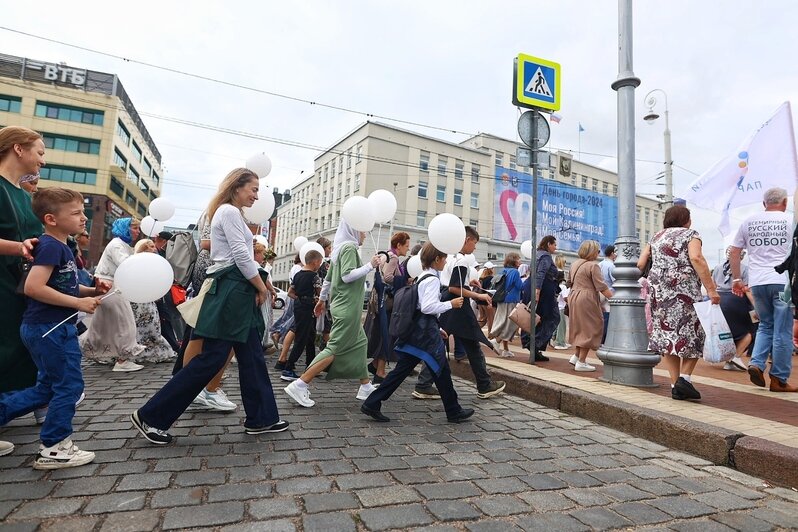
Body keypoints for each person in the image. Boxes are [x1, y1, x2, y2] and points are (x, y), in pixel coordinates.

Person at [130, 168, 288, 444]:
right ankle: (151, 416)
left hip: (235, 290)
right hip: (233, 291)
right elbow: (241, 254)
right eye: (253, 188)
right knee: (213, 357)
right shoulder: (228, 212)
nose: (256, 195)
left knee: (251, 355)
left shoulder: (230, 213)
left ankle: (262, 418)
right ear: (237, 187)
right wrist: (261, 286)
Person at [1, 187, 105, 468]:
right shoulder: (50, 246)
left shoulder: (60, 246)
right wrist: (77, 303)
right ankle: (55, 448)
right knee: (69, 386)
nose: (84, 218)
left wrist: (90, 290)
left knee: (46, 388)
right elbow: (34, 287)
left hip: (46, 328)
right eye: (76, 213)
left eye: (83, 211)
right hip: (51, 329)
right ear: (51, 219)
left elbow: (63, 284)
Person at [361, 242, 474, 423]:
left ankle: (373, 402)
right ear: (437, 259)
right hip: (425, 335)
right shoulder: (432, 279)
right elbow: (428, 307)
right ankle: (453, 410)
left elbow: (420, 307)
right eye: (444, 258)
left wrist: (439, 328)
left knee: (404, 370)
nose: (446, 262)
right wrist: (450, 305)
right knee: (440, 369)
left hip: (419, 333)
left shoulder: (423, 277)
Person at [283, 220, 381, 407]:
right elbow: (347, 275)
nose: (365, 235)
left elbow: (328, 280)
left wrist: (321, 300)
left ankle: (365, 386)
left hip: (342, 305)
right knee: (334, 347)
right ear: (354, 230)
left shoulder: (338, 250)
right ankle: (301, 384)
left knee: (361, 343)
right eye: (363, 231)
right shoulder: (350, 248)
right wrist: (371, 265)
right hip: (348, 308)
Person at [638, 206, 719, 399]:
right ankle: (685, 378)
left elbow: (640, 264)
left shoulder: (656, 237)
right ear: (686, 219)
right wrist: (711, 289)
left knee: (668, 336)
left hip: (659, 291)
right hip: (685, 290)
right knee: (694, 331)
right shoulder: (691, 234)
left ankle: (676, 385)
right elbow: (696, 258)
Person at [422, 226, 506, 399]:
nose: (474, 247)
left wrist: (469, 282)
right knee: (472, 344)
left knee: (441, 341)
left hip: (446, 300)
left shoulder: (449, 257)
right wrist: (477, 294)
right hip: (457, 305)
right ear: (467, 240)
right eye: (474, 243)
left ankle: (423, 383)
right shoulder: (461, 260)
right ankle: (484, 384)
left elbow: (451, 283)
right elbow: (455, 288)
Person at [731, 187, 797, 392]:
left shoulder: (749, 221)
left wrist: (737, 279)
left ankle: (756, 364)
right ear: (785, 203)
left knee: (766, 325)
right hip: (782, 281)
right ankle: (779, 378)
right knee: (783, 330)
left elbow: (735, 251)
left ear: (764, 203)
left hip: (757, 282)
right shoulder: (790, 221)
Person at [0, 127, 45, 409]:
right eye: (39, 152)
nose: (43, 160)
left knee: (16, 348)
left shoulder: (20, 193)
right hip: (4, 282)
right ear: (18, 148)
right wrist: (18, 247)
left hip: (19, 284)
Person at [79, 217, 146, 372]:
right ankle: (122, 360)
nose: (138, 232)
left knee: (102, 324)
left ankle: (94, 351)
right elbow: (126, 264)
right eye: (135, 228)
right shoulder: (117, 245)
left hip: (107, 285)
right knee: (125, 322)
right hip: (111, 285)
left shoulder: (119, 244)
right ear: (126, 228)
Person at [368, 232, 411, 384]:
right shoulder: (394, 257)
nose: (408, 248)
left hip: (381, 302)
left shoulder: (387, 255)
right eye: (406, 245)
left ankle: (374, 365)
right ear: (398, 245)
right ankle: (380, 372)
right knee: (386, 336)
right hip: (388, 303)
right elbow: (387, 277)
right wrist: (404, 281)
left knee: (381, 334)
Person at [567, 240, 614, 372]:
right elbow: (601, 286)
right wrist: (614, 298)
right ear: (592, 252)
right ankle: (581, 362)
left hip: (574, 296)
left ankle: (576, 357)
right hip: (587, 298)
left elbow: (569, 282)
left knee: (579, 327)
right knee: (591, 327)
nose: (599, 253)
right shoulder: (593, 266)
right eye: (597, 250)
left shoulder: (575, 264)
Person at [129, 240, 178, 364]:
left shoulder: (154, 261)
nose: (154, 248)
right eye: (151, 246)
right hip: (140, 300)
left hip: (150, 300)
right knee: (141, 327)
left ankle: (157, 351)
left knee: (153, 327)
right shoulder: (137, 262)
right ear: (144, 249)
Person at [281, 249, 323, 381]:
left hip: (299, 306)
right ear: (315, 262)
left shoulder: (298, 274)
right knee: (301, 338)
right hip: (308, 307)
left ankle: (310, 365)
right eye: (320, 262)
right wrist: (314, 300)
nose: (320, 265)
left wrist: (300, 298)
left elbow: (290, 293)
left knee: (310, 336)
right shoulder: (314, 276)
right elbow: (320, 292)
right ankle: (288, 367)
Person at [712, 246, 756, 371]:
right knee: (750, 331)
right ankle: (735, 356)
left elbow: (713, 285)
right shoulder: (745, 269)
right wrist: (757, 307)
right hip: (737, 301)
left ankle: (729, 362)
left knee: (728, 332)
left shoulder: (718, 268)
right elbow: (748, 290)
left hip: (720, 301)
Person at [489, 253, 525, 358]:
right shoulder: (515, 272)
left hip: (502, 299)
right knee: (512, 324)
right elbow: (520, 286)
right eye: (518, 259)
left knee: (503, 321)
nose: (520, 261)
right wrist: (527, 280)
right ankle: (496, 341)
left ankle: (505, 349)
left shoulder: (503, 271)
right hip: (512, 300)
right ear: (514, 260)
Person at [533, 236, 560, 361]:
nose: (555, 247)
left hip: (538, 289)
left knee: (538, 319)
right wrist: (537, 291)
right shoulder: (546, 256)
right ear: (549, 244)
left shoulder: (536, 254)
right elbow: (541, 273)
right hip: (545, 290)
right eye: (554, 244)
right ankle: (536, 344)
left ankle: (535, 347)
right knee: (552, 318)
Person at [598, 245, 616, 343]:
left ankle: (599, 338)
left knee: (600, 316)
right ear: (612, 254)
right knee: (607, 316)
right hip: (609, 293)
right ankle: (604, 339)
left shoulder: (600, 264)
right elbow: (615, 280)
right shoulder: (611, 265)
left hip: (599, 292)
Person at [553, 272, 571, 350]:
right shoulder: (563, 287)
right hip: (561, 307)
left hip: (556, 307)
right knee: (561, 326)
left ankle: (555, 340)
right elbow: (565, 297)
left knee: (557, 325)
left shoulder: (557, 286)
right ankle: (560, 342)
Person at [477, 262, 495, 331]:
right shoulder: (491, 279)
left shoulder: (481, 279)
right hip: (487, 301)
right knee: (490, 319)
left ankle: (474, 331)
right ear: (491, 269)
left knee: (482, 319)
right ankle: (490, 335)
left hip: (479, 301)